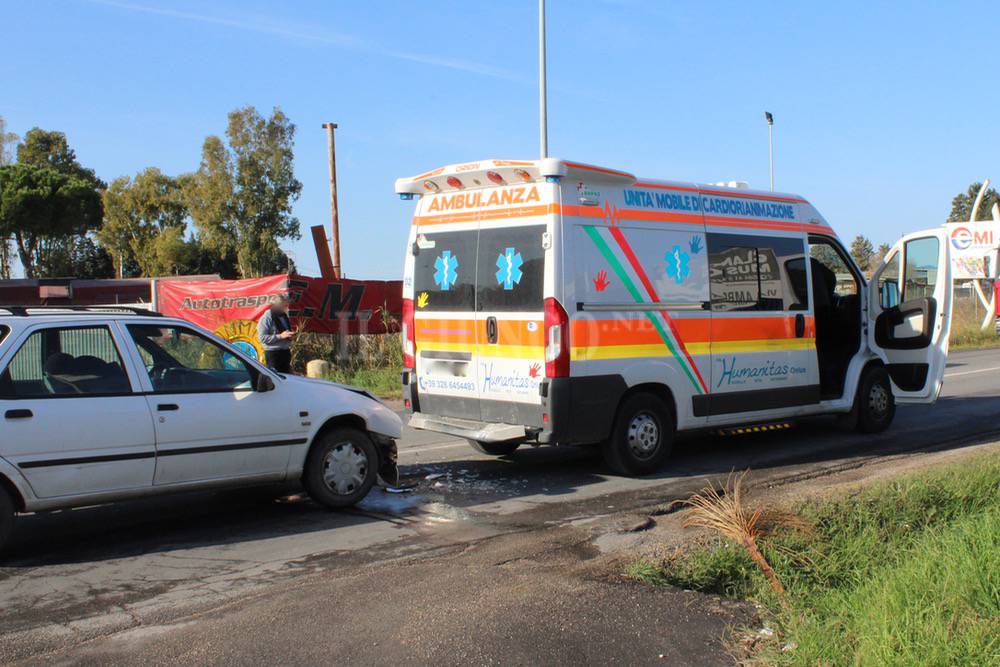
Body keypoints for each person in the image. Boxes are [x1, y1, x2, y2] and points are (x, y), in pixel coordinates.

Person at [257, 295, 294, 373]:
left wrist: (289, 336)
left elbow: (285, 333)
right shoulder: (267, 317)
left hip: (285, 352)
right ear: (277, 304)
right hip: (273, 354)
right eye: (284, 305)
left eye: (286, 305)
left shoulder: (283, 316)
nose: (286, 307)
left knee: (286, 379)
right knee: (274, 380)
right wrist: (280, 336)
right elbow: (262, 338)